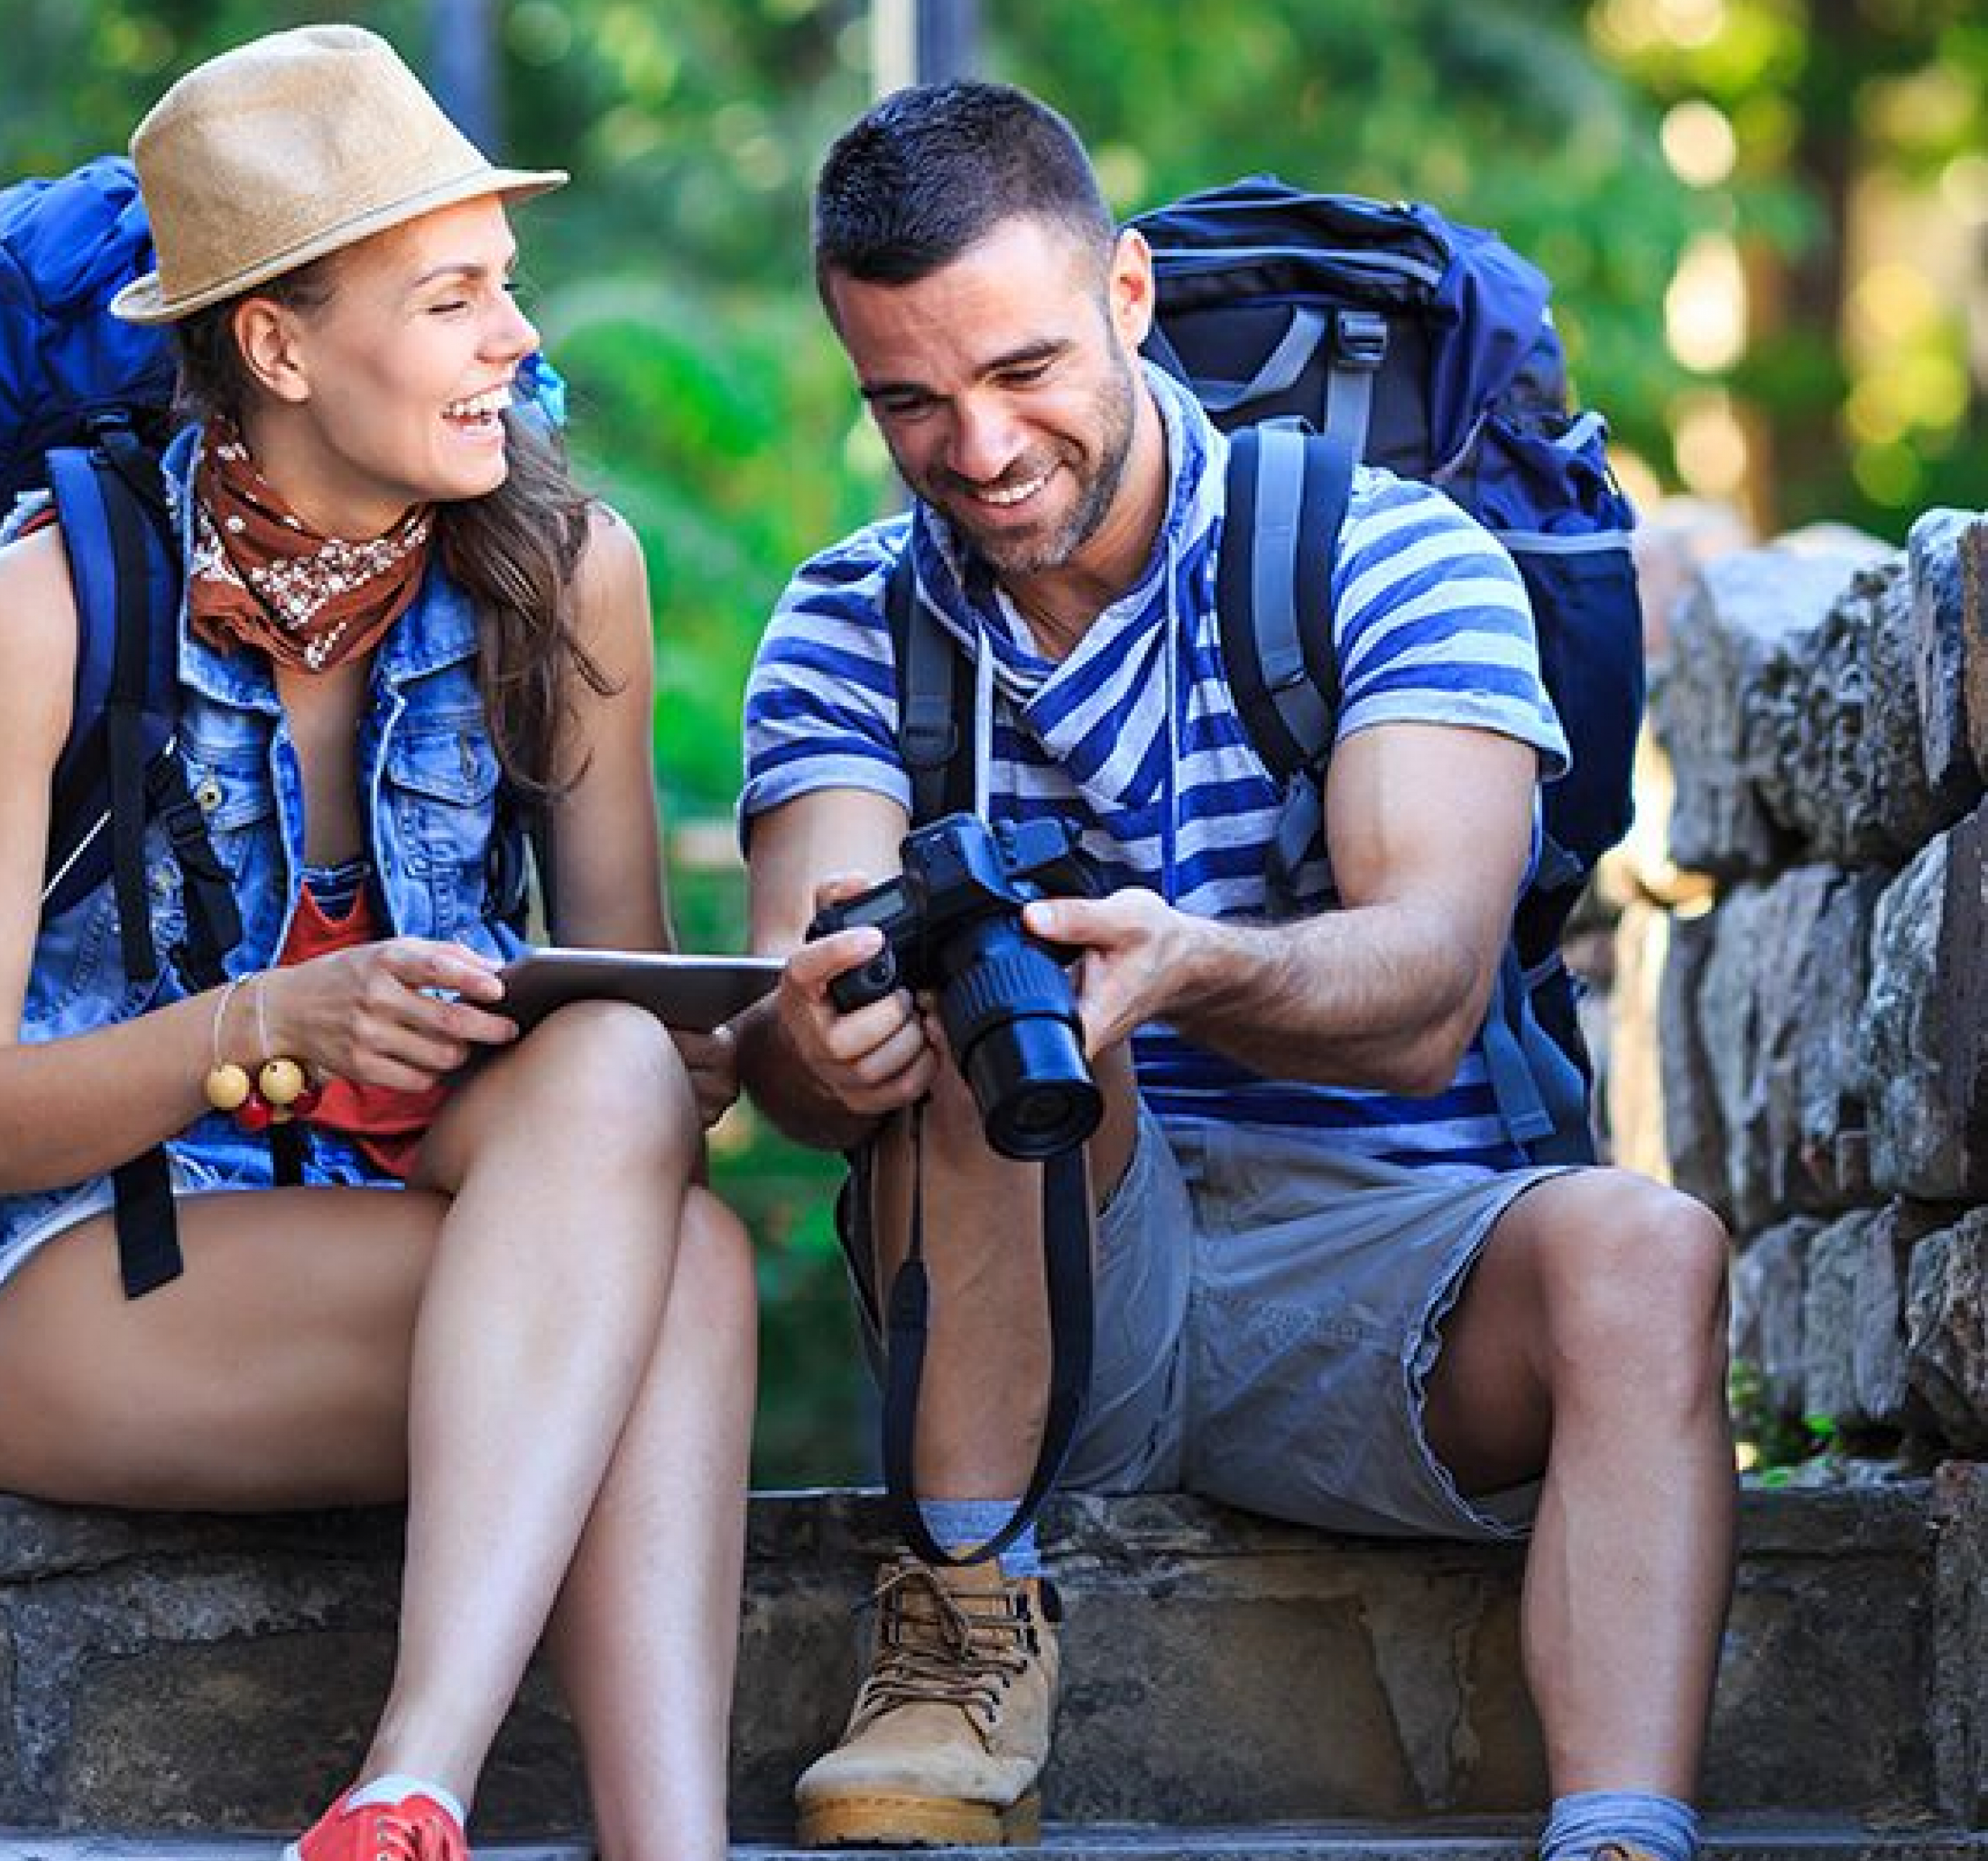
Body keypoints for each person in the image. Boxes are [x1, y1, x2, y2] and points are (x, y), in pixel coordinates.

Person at [737, 80, 1733, 1861]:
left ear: (1128, 295)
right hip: (1036, 1274)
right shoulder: (843, 620)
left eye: (1023, 369)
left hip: (1389, 1285)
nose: (975, 448)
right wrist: (824, 1037)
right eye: (908, 398)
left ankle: (1622, 1834)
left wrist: (1188, 964)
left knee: (1648, 1252)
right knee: (983, 999)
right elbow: (796, 1053)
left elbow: (1430, 989)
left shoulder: (1388, 552)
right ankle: (960, 1619)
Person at [0, 26, 755, 1861]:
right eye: (451, 299)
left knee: (631, 1129)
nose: (516, 337)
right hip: (94, 1281)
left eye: (507, 289)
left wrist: (761, 1029)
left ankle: (434, 1796)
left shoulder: (562, 571)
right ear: (275, 343)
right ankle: (459, 1799)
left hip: (449, 1241)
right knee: (684, 1290)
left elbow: (644, 1060)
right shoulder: (37, 610)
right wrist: (264, 1019)